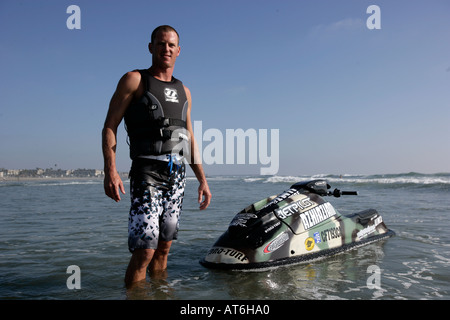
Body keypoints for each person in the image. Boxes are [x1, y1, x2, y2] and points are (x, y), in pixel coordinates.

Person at [102, 25, 211, 288]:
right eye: (161, 44)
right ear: (151, 47)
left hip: (177, 175)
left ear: (179, 50)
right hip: (147, 171)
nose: (166, 49)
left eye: (171, 45)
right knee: (145, 250)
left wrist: (203, 180)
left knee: (164, 248)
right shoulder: (134, 79)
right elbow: (110, 125)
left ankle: (161, 294)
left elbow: (189, 137)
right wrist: (111, 171)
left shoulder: (185, 91)